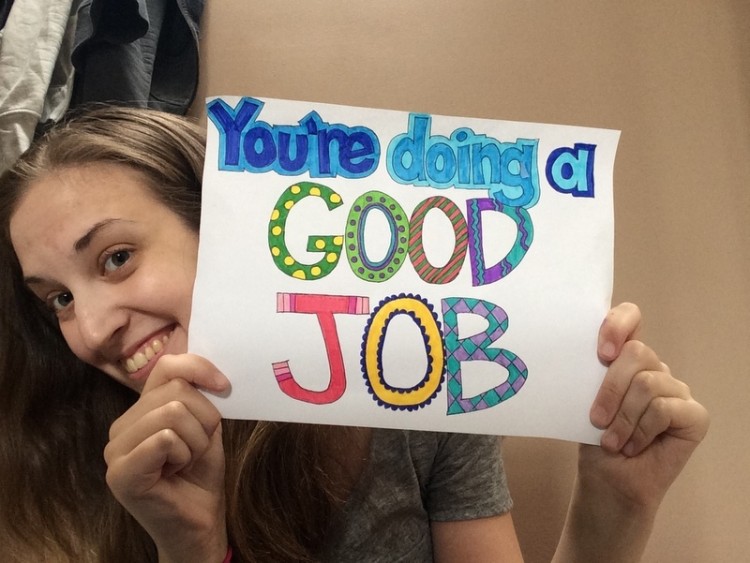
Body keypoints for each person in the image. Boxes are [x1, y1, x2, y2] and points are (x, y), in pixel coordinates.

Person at [0, 106, 709, 563]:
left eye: (116, 258)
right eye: (58, 298)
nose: (91, 330)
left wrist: (614, 512)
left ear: (225, 229)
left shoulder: (425, 385)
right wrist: (187, 546)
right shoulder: (86, 459)